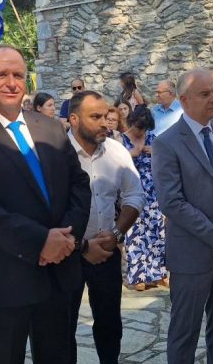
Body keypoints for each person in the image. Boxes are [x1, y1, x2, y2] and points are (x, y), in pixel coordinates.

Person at [0, 45, 91, 364]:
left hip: (59, 274)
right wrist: (41, 241)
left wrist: (66, 238)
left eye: (18, 75)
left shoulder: (50, 127)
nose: (11, 83)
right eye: (2, 75)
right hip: (5, 280)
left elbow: (79, 184)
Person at [152, 68, 213, 364]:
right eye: (205, 93)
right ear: (184, 100)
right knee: (185, 332)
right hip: (192, 254)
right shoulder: (167, 143)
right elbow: (172, 203)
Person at [67, 91, 143, 364]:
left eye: (106, 116)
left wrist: (116, 234)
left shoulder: (116, 151)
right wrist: (81, 246)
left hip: (107, 250)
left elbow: (135, 195)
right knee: (62, 326)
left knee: (110, 323)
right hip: (66, 254)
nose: (104, 122)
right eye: (95, 117)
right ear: (74, 119)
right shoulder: (56, 153)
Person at [122, 106, 167, 291]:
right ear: (132, 123)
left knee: (157, 231)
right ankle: (138, 275)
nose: (141, 132)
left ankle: (159, 274)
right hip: (132, 192)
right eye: (138, 127)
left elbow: (166, 162)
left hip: (153, 192)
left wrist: (155, 153)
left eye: (144, 129)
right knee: (135, 233)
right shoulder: (121, 140)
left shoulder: (152, 139)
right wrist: (130, 155)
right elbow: (115, 164)